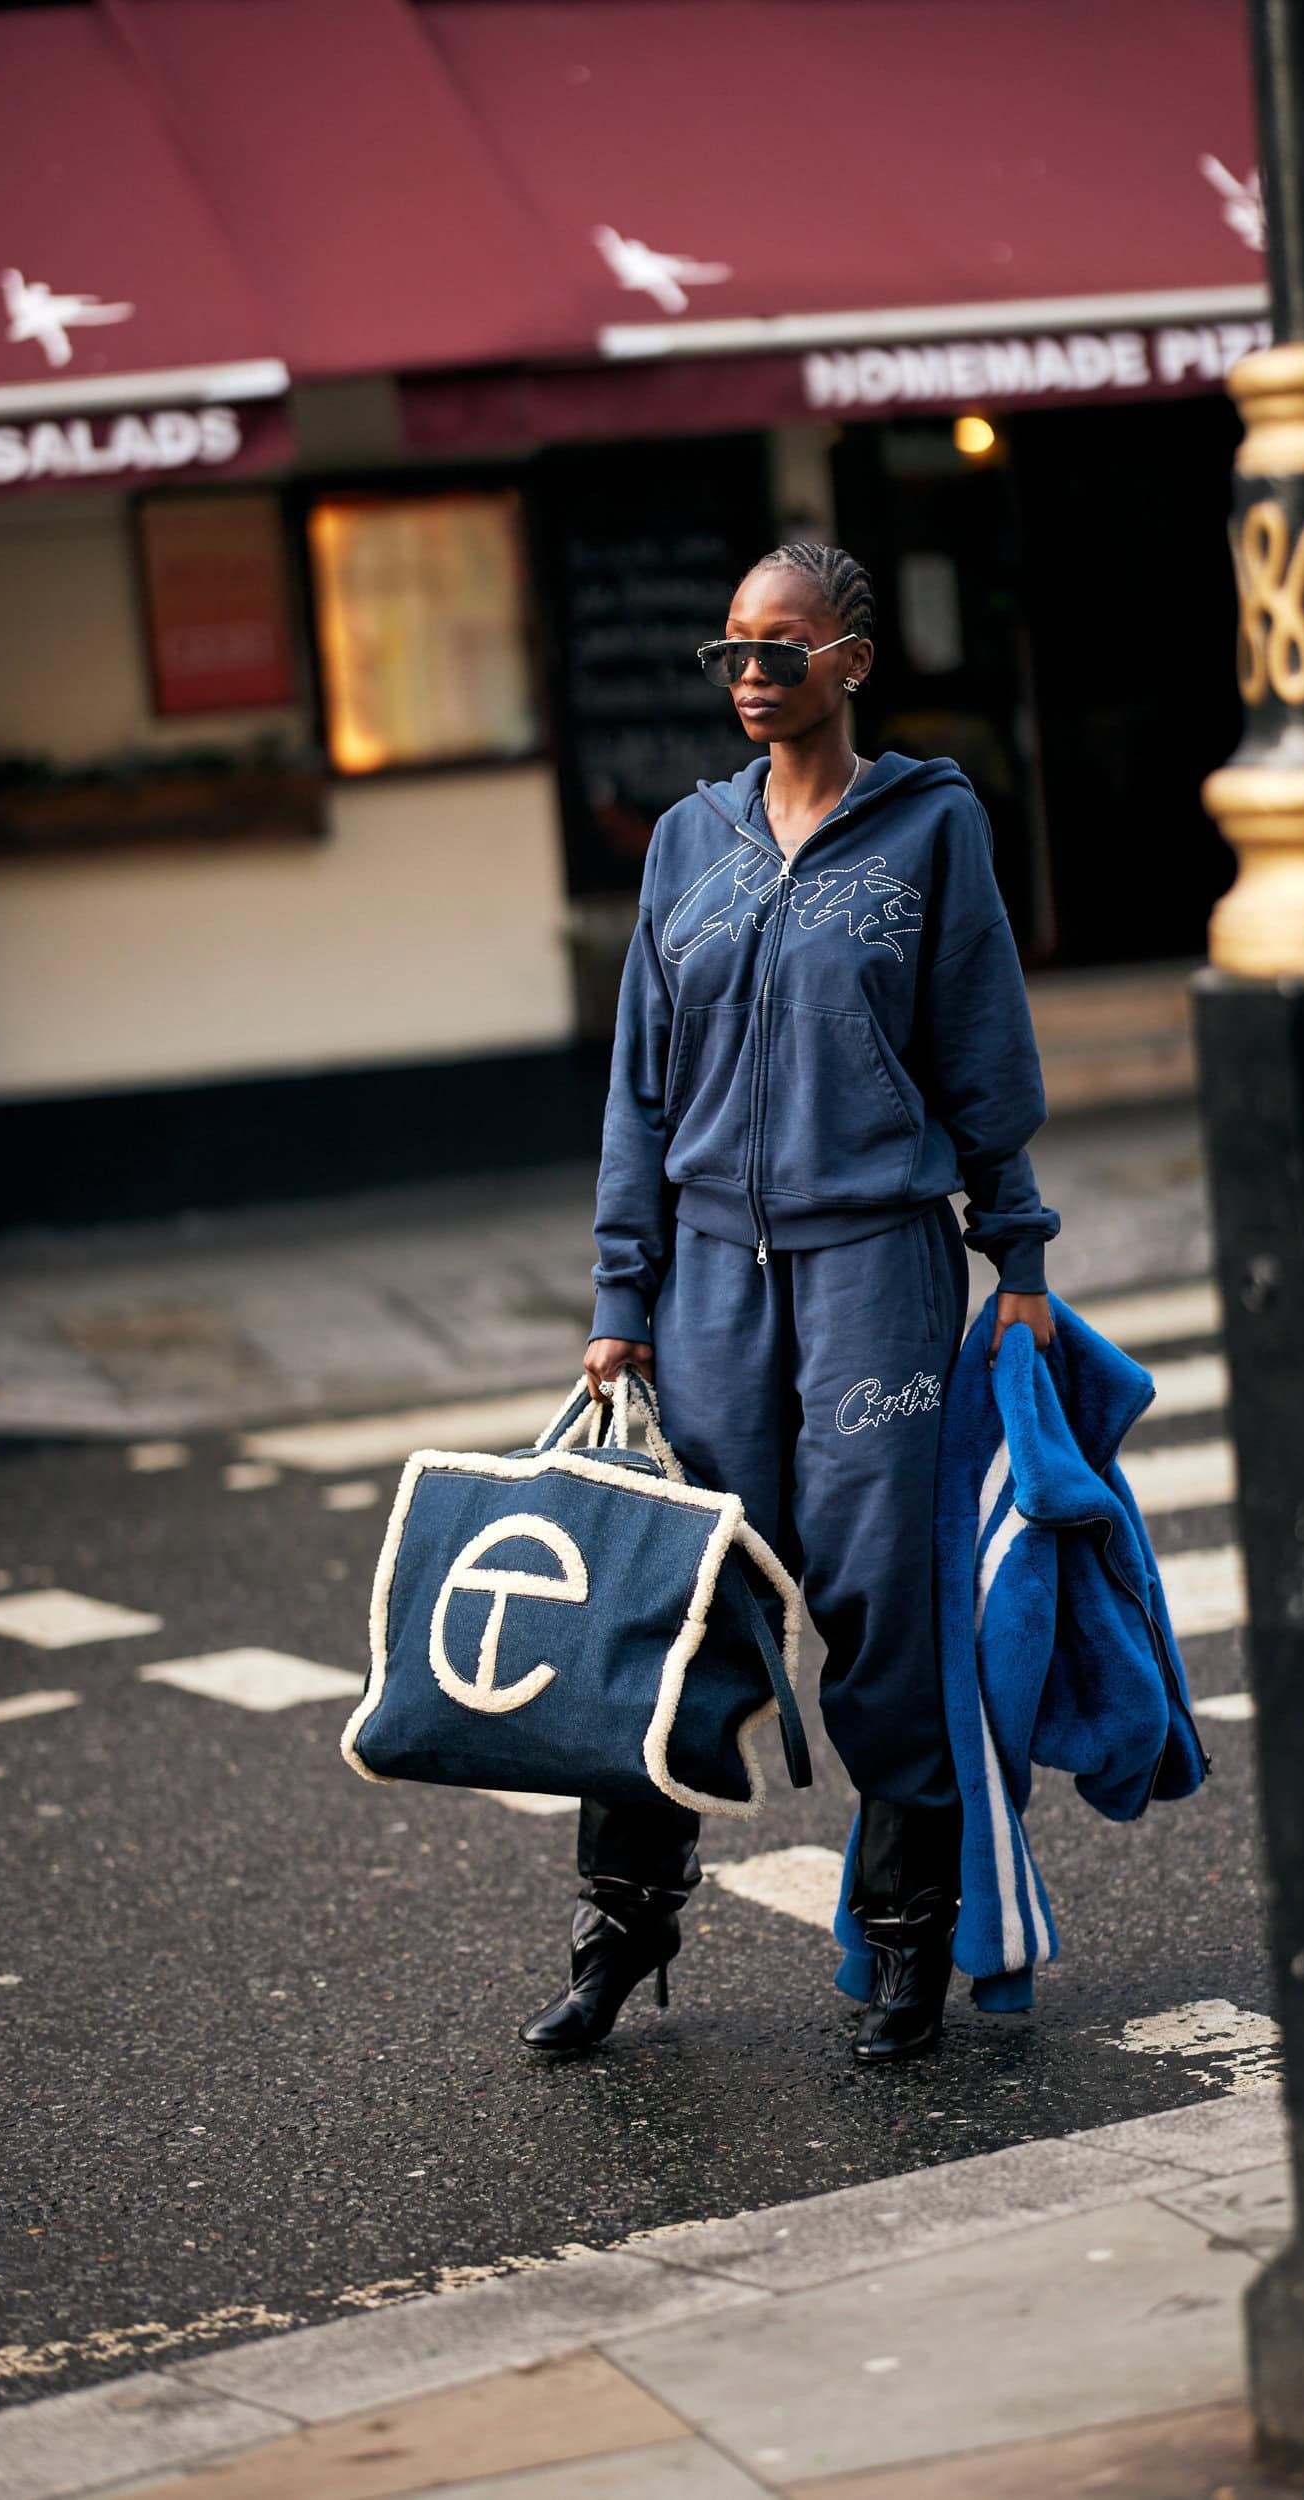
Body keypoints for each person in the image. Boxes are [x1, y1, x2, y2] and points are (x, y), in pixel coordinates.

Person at [519, 543, 1058, 2064]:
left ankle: (907, 1942)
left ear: (854, 660)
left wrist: (1016, 1260)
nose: (753, 674)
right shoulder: (687, 843)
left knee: (882, 1598)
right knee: (670, 1601)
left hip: (877, 1263)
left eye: (784, 649)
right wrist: (621, 1292)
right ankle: (619, 1930)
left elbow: (983, 1057)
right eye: (733, 652)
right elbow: (641, 1085)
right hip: (702, 1280)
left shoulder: (931, 829)